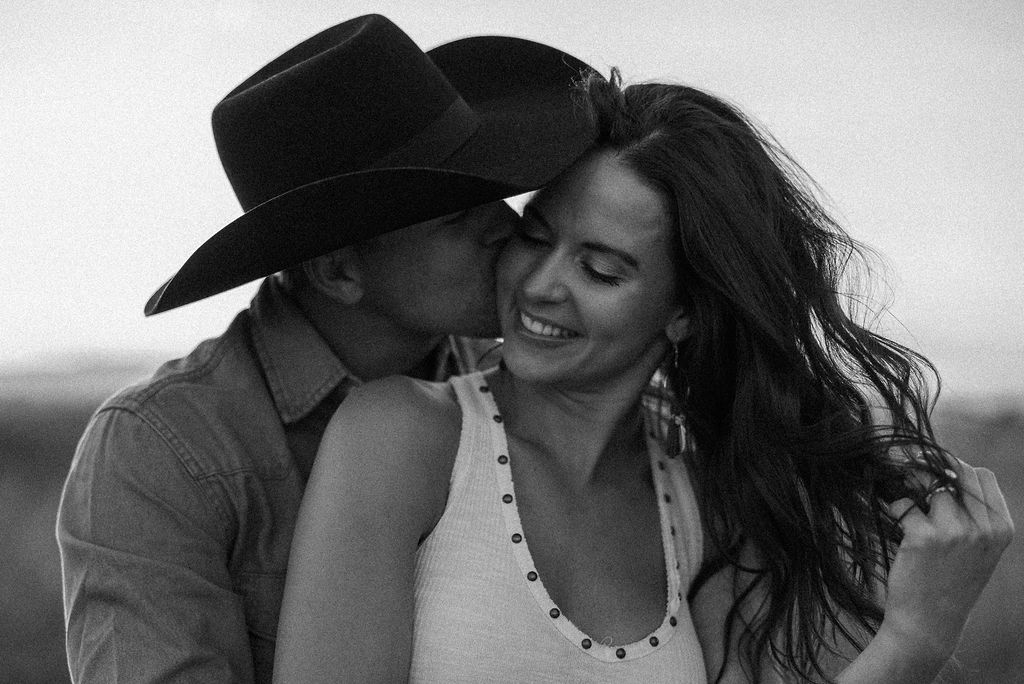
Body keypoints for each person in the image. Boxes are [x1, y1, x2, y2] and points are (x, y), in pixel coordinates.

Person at [273, 69, 1014, 682]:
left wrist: (915, 637)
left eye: (601, 268)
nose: (539, 285)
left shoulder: (701, 507)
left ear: (685, 312)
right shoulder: (402, 436)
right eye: (535, 236)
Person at [56, 14, 596, 683]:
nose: (508, 229)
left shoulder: (521, 394)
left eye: (496, 198)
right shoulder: (161, 452)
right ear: (339, 270)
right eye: (459, 218)